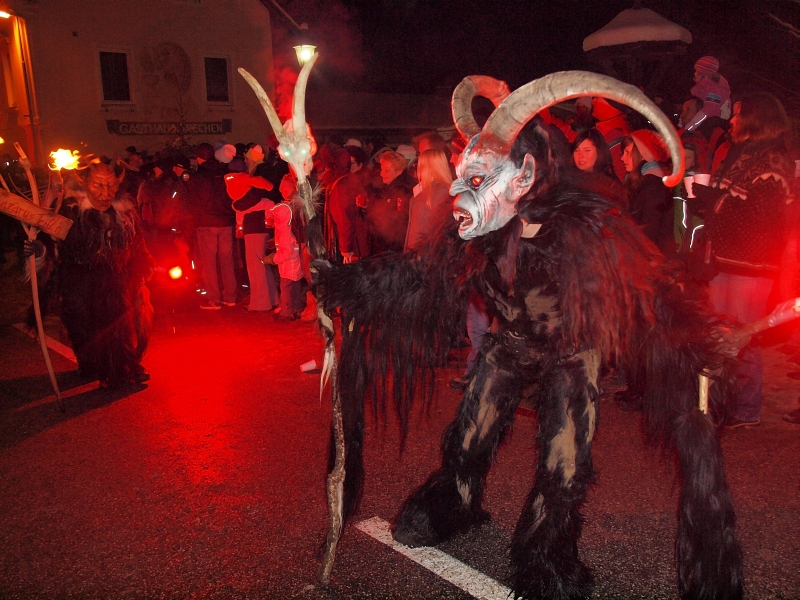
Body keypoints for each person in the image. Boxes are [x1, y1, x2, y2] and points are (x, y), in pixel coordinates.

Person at [694, 92, 794, 428]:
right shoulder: (741, 154)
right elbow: (729, 202)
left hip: (752, 266)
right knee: (721, 334)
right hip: (725, 261)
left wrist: (717, 201)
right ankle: (724, 400)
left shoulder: (773, 160)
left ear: (756, 118)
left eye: (737, 114)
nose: (731, 120)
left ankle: (746, 408)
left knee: (743, 335)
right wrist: (707, 203)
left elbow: (762, 215)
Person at [24, 162, 154, 387]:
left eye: (110, 186)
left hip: (113, 278)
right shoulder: (69, 211)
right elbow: (51, 245)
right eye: (98, 186)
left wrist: (143, 264)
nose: (105, 193)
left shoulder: (125, 213)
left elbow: (137, 243)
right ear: (85, 184)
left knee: (118, 326)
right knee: (82, 326)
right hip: (77, 280)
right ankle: (90, 364)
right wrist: (39, 251)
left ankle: (122, 369)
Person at [186, 142, 238, 309]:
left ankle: (214, 299)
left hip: (206, 222)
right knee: (227, 261)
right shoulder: (225, 172)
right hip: (226, 222)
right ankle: (231, 296)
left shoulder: (199, 176)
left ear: (199, 158)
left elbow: (193, 200)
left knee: (209, 263)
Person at [226, 156, 279, 312]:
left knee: (256, 267)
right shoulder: (253, 191)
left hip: (253, 229)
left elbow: (240, 211)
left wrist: (240, 226)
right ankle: (272, 299)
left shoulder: (239, 195)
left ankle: (261, 303)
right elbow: (268, 193)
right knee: (262, 264)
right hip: (260, 228)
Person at [621, 130, 674, 254]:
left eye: (628, 153)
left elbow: (650, 231)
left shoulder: (654, 185)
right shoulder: (641, 181)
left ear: (643, 154)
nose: (622, 158)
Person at [327, 146, 370, 263]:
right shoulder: (347, 180)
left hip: (354, 246)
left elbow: (344, 218)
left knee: (355, 277)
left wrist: (346, 248)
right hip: (355, 242)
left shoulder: (342, 185)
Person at [366, 151, 415, 254]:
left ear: (399, 171)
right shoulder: (388, 186)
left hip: (396, 247)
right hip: (390, 244)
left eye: (387, 171)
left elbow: (399, 222)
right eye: (382, 169)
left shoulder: (405, 189)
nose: (381, 173)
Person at [404, 149, 453, 251]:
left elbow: (419, 230)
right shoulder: (446, 189)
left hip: (425, 254)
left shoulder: (434, 193)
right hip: (434, 252)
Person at [571, 128, 627, 209]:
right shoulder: (571, 179)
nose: (580, 156)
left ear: (599, 152)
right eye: (576, 150)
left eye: (587, 150)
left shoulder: (608, 185)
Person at [268, 201, 304, 321]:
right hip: (292, 266)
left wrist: (273, 258)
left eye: (275, 217)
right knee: (295, 287)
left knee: (286, 289)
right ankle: (296, 308)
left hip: (289, 267)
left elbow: (288, 252)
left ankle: (287, 313)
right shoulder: (285, 229)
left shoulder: (284, 232)